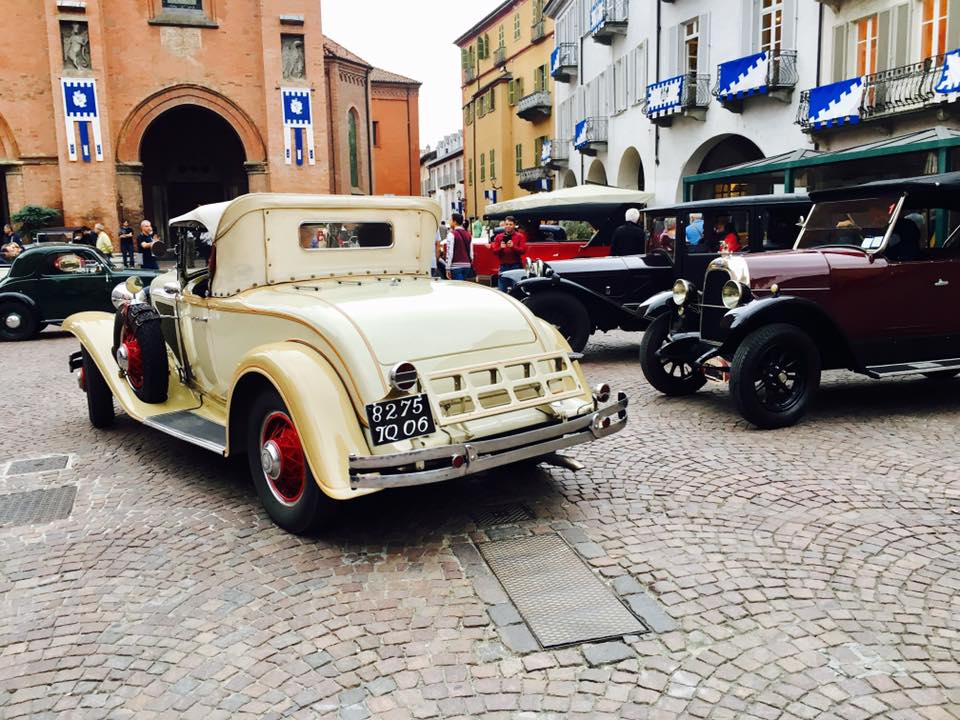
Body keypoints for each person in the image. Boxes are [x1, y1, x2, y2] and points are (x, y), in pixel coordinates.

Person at [490, 215, 527, 291]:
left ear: (514, 225)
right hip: (503, 266)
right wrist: (501, 248)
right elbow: (494, 251)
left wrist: (513, 247)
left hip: (516, 265)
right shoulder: (498, 237)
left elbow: (523, 251)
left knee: (516, 289)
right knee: (502, 290)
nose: (508, 226)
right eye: (506, 224)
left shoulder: (520, 236)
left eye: (510, 224)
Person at [444, 213, 474, 281]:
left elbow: (450, 252)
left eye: (450, 220)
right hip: (467, 265)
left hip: (456, 266)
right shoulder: (468, 234)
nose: (450, 222)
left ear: (454, 222)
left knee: (458, 289)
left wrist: (447, 268)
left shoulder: (451, 234)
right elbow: (471, 253)